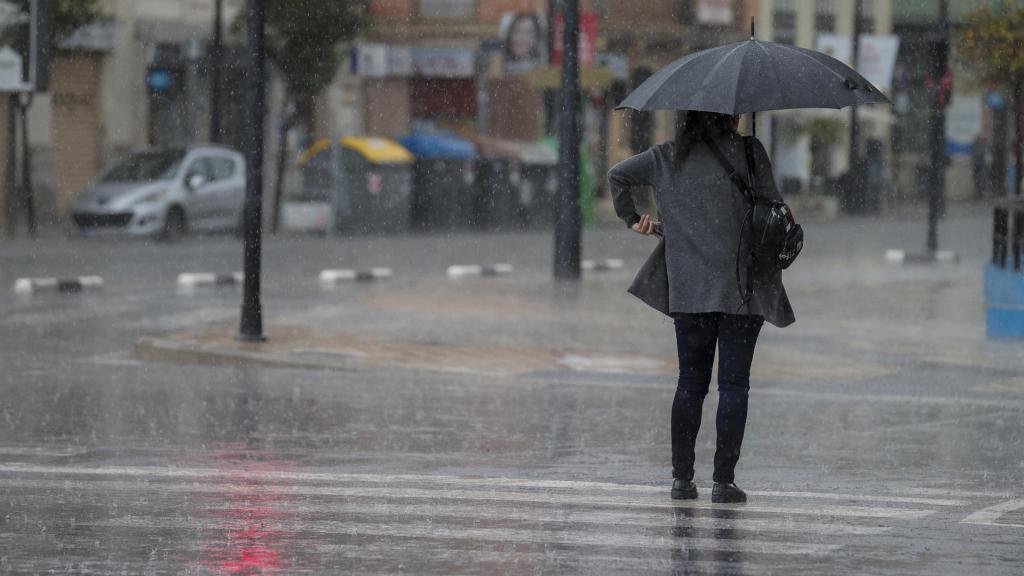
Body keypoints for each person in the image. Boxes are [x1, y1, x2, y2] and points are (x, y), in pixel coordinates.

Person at [608, 111, 794, 504]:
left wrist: (636, 220)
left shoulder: (667, 156)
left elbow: (618, 175)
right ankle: (724, 482)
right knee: (734, 385)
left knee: (690, 383)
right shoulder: (749, 152)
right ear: (730, 113)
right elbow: (775, 212)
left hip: (689, 291)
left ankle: (682, 480)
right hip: (742, 289)